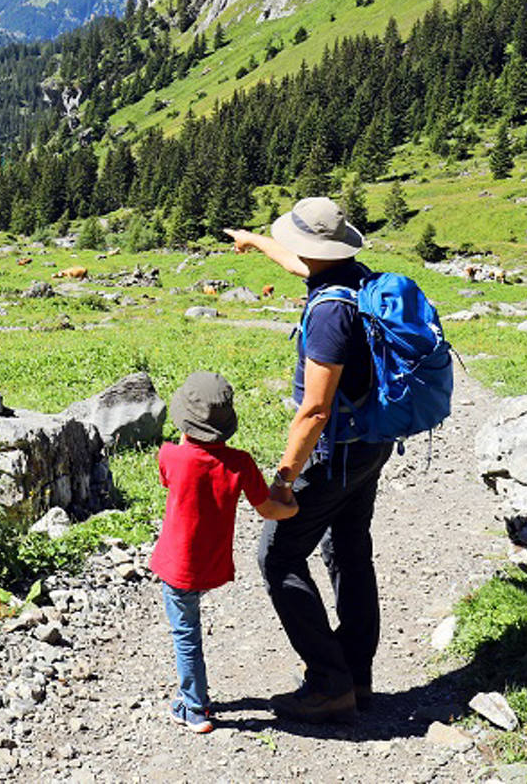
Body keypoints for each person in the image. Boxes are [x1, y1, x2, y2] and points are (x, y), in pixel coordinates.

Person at [226, 196, 394, 725]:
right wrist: (255, 243)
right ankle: (357, 674)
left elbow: (315, 410)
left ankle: (329, 683)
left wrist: (282, 481)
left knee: (277, 558)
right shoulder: (353, 276)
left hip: (333, 453)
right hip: (371, 441)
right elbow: (298, 262)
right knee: (349, 549)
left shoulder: (328, 315)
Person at [149, 371, 298, 733]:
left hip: (177, 565)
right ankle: (195, 699)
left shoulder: (171, 455)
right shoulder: (241, 463)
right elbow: (268, 509)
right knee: (190, 627)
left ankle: (194, 707)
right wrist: (292, 507)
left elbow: (169, 479)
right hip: (211, 564)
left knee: (186, 634)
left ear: (184, 420)